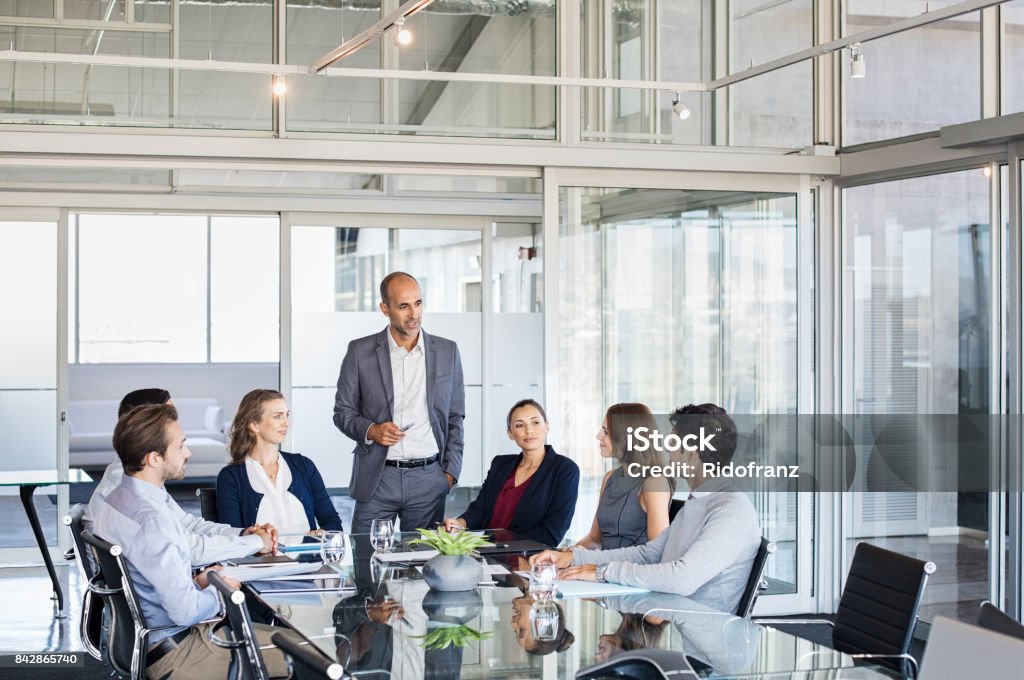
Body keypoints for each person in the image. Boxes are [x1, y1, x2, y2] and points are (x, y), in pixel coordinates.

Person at [90, 404, 289, 679]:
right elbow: (185, 612)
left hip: (149, 644)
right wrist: (223, 589)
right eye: (181, 446)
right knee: (308, 653)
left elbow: (153, 577)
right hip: (181, 654)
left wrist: (200, 581)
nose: (188, 453)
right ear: (154, 458)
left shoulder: (116, 501)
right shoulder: (152, 520)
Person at [531, 404, 761, 613]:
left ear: (691, 454)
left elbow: (683, 578)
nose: (667, 450)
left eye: (673, 444)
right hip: (678, 621)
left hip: (704, 641)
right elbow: (649, 553)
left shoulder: (731, 509)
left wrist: (602, 572)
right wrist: (573, 558)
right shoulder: (699, 500)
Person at [333, 271, 465, 533]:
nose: (413, 314)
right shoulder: (360, 351)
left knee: (421, 566)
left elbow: (455, 416)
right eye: (403, 306)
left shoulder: (448, 351)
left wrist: (450, 472)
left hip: (429, 478)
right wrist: (372, 430)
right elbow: (342, 412)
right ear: (385, 308)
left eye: (418, 303)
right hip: (378, 477)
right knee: (365, 561)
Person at [86, 388, 274, 565]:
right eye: (170, 415)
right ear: (147, 424)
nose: (176, 422)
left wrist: (241, 534)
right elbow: (187, 549)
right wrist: (254, 543)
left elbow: (185, 524)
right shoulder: (129, 490)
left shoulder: (137, 476)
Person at [442, 399, 579, 546]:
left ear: (547, 426)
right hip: (482, 552)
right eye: (519, 425)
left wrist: (499, 546)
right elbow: (481, 508)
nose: (529, 430)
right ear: (510, 433)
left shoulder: (565, 470)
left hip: (525, 558)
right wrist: (459, 524)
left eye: (535, 422)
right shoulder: (500, 464)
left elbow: (552, 533)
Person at [217, 389, 343, 534]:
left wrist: (320, 535)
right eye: (277, 416)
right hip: (262, 557)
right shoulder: (231, 477)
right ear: (254, 425)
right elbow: (231, 536)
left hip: (308, 556)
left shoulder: (304, 466)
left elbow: (332, 522)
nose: (286, 423)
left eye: (286, 415)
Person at [573, 403, 673, 550]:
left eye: (606, 432)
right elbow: (595, 540)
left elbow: (656, 551)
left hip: (628, 571)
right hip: (600, 568)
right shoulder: (610, 478)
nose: (598, 436)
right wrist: (565, 554)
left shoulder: (655, 483)